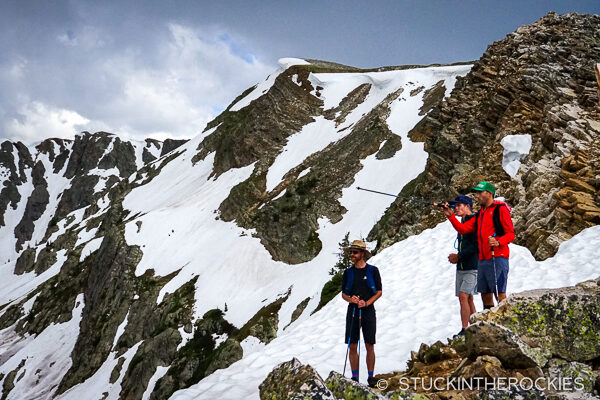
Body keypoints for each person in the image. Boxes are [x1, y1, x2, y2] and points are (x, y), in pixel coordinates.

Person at [441, 182, 515, 310]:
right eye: (476, 193)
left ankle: (505, 320)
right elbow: (463, 229)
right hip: (483, 258)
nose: (477, 196)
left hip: (497, 256)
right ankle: (490, 321)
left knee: (499, 293)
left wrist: (498, 241)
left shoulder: (500, 209)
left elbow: (511, 234)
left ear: (489, 194)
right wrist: (450, 215)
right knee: (485, 294)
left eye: (480, 192)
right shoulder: (480, 213)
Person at [341, 240, 382, 388]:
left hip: (368, 310)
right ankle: (355, 377)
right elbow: (343, 294)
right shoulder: (348, 273)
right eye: (351, 252)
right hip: (353, 310)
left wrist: (367, 303)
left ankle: (371, 377)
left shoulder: (373, 270)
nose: (352, 255)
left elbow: (379, 291)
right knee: (353, 344)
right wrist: (351, 299)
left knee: (369, 343)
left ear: (362, 254)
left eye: (355, 252)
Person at [447, 195, 478, 338]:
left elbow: (474, 246)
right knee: (468, 297)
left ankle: (465, 328)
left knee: (463, 295)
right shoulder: (464, 221)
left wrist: (458, 256)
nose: (456, 208)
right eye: (455, 206)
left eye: (459, 205)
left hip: (473, 265)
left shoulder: (474, 221)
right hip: (462, 266)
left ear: (467, 206)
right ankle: (475, 325)